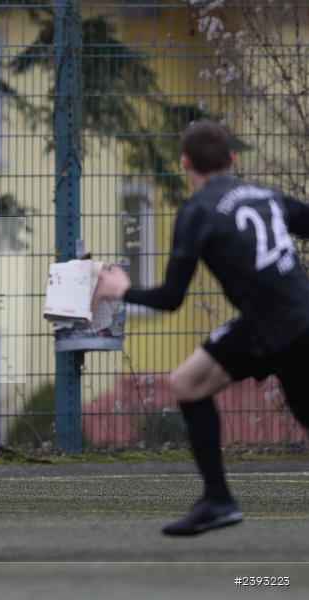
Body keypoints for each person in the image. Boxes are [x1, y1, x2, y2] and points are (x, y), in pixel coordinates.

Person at [97, 120, 309, 536]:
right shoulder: (266, 195)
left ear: (185, 163)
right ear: (234, 159)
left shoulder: (197, 211)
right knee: (193, 383)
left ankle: (218, 500)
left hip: (276, 327)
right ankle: (217, 501)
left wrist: (122, 290)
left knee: (186, 384)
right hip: (292, 320)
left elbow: (171, 298)